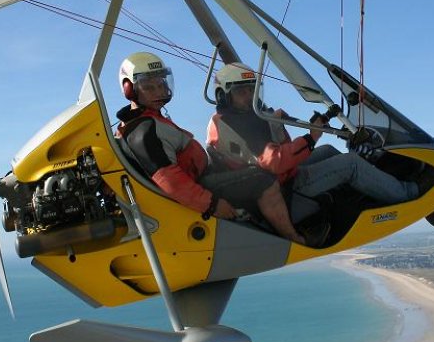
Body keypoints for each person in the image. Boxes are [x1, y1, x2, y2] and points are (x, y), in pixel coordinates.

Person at [115, 52, 306, 244]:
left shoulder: (147, 121)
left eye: (160, 84)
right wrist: (211, 204)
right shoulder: (143, 130)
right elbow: (171, 181)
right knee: (261, 178)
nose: (158, 91)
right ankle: (293, 237)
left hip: (202, 180)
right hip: (199, 189)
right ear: (129, 88)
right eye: (149, 87)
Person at [206, 63, 420, 224]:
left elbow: (265, 137)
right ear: (223, 95)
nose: (249, 95)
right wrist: (311, 137)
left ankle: (372, 186)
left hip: (280, 176)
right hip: (281, 189)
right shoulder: (233, 126)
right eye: (241, 91)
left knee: (328, 151)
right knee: (350, 163)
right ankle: (408, 194)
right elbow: (274, 162)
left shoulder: (237, 117)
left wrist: (282, 119)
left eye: (252, 89)